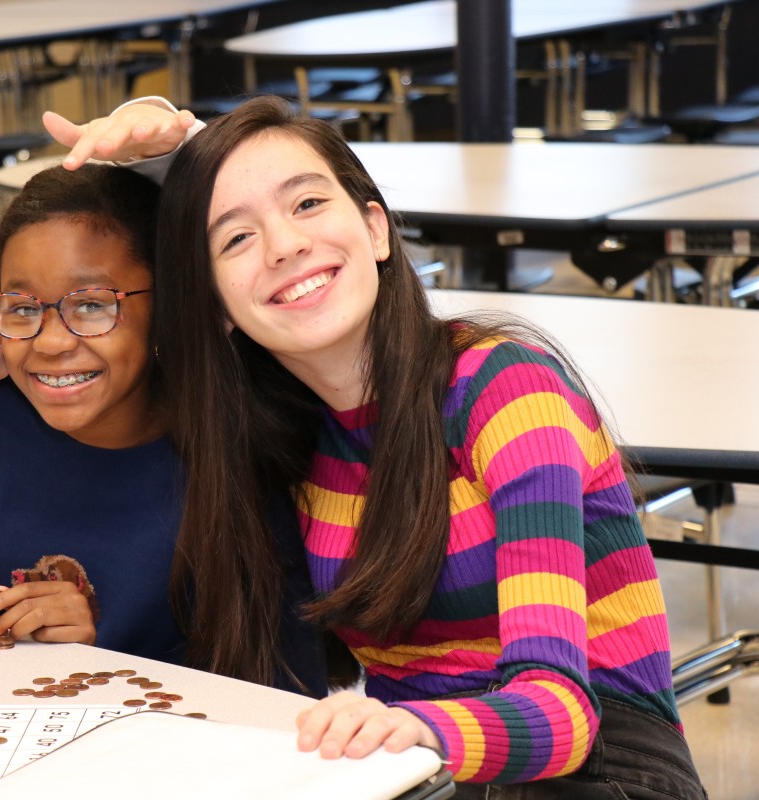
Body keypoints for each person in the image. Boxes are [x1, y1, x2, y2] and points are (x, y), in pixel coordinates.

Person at [112, 95, 702, 797]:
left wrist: (420, 729)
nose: (284, 246)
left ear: (376, 229)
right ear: (215, 304)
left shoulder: (506, 390)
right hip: (422, 771)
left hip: (601, 765)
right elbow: (95, 351)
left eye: (306, 205)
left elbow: (561, 714)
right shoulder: (284, 440)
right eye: (235, 239)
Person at [0, 162, 327, 696]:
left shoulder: (238, 441)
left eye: (92, 305)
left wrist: (103, 655)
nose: (49, 342)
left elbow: (285, 693)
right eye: (23, 308)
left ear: (167, 306)